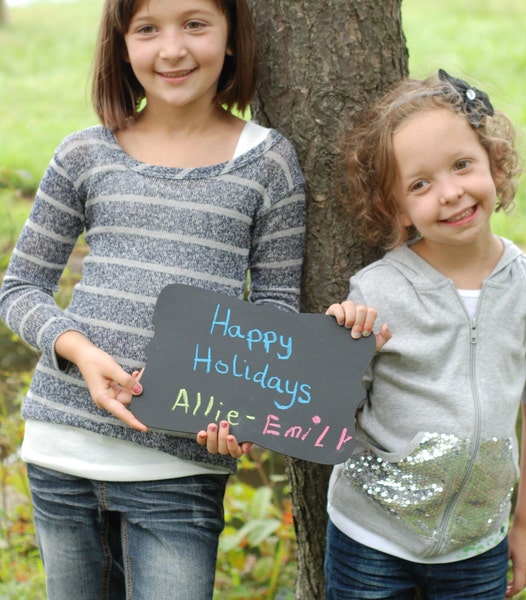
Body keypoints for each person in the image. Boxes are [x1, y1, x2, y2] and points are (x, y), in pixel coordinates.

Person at [0, 0, 305, 598]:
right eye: (147, 29)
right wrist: (79, 352)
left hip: (180, 468)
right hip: (63, 451)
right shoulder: (85, 153)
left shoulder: (269, 163)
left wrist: (240, 405)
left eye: (195, 23)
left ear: (232, 37)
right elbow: (19, 288)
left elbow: (274, 311)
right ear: (120, 45)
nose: (172, 49)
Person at [324, 70, 526, 599]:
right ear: (395, 207)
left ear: (495, 164)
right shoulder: (376, 290)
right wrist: (344, 349)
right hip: (370, 538)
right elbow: (328, 412)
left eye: (462, 166)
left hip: (477, 546)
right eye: (420, 184)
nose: (451, 193)